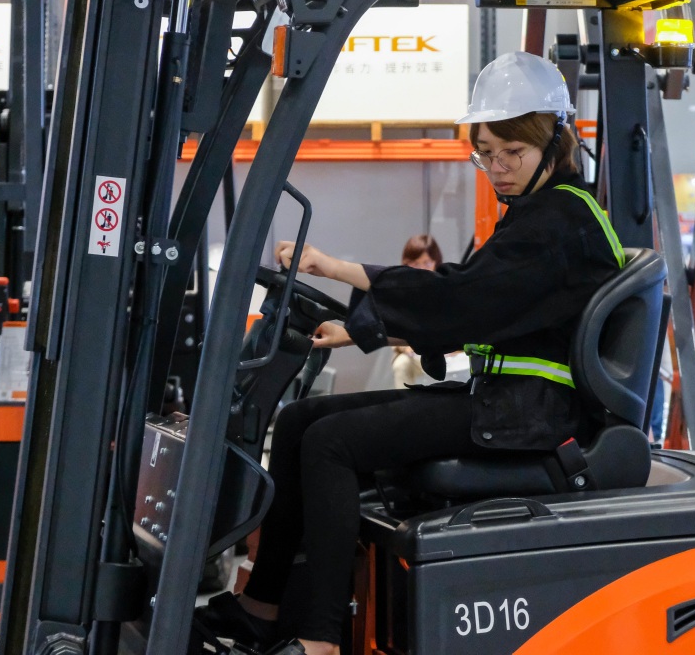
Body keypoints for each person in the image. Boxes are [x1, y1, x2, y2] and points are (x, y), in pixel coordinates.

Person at [194, 52, 623, 655]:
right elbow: (478, 309)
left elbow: (458, 300)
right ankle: (262, 607)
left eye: (512, 152)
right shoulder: (541, 215)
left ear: (556, 139)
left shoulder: (558, 223)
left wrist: (337, 268)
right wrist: (357, 329)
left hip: (528, 414)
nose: (498, 167)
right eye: (486, 153)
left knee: (331, 443)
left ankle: (320, 638)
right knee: (297, 422)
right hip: (507, 400)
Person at [389, 234, 443, 388]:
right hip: (413, 355)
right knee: (401, 364)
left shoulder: (446, 289)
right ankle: (403, 403)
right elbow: (392, 331)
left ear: (436, 262)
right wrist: (406, 347)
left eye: (427, 263)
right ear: (406, 264)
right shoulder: (398, 292)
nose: (421, 269)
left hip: (445, 355)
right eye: (415, 263)